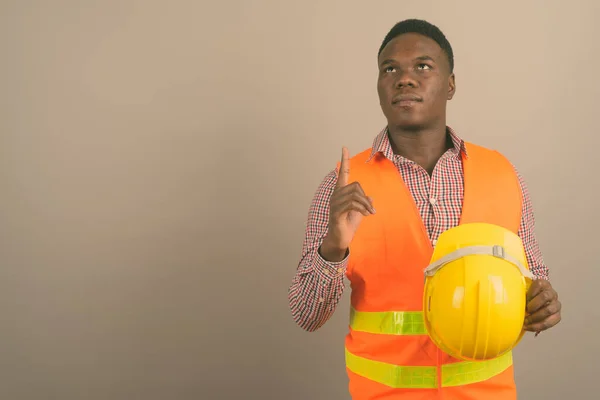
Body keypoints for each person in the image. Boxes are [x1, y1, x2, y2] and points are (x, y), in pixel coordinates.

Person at [288, 19, 562, 399]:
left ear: (450, 84)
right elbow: (306, 315)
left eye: (423, 66)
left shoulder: (502, 173)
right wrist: (333, 247)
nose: (405, 79)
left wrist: (543, 304)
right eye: (390, 69)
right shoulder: (343, 187)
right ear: (380, 87)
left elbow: (535, 283)